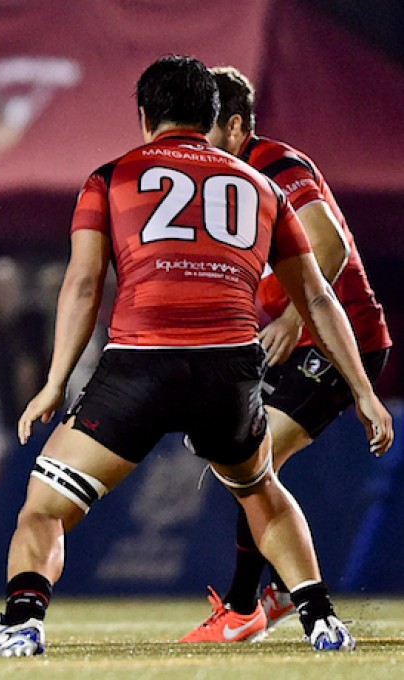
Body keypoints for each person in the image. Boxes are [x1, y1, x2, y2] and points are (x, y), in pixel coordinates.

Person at [0, 55, 393, 658]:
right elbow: (317, 294)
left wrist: (55, 382)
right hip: (231, 368)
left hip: (143, 363)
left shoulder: (110, 177)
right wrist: (366, 394)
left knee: (45, 507)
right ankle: (321, 619)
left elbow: (83, 286)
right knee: (260, 486)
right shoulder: (263, 187)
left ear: (143, 117)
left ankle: (23, 621)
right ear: (212, 116)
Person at [180, 66, 393, 643]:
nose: (198, 140)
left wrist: (296, 316)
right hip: (285, 343)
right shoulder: (221, 177)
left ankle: (250, 603)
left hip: (337, 339)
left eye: (209, 127)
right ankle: (260, 596)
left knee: (257, 458)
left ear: (236, 124)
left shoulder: (276, 164)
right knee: (241, 463)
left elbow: (330, 244)